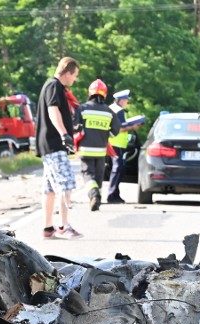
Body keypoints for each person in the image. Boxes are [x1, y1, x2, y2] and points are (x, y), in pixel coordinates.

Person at [36, 56, 83, 239]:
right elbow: (52, 110)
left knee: (49, 189)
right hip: (55, 143)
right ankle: (64, 226)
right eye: (75, 75)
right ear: (67, 72)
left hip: (48, 143)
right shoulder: (55, 86)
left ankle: (48, 228)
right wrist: (64, 134)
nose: (75, 79)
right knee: (65, 184)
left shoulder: (49, 85)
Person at [74, 79, 120, 212]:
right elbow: (115, 131)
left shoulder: (82, 108)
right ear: (104, 94)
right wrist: (104, 135)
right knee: (99, 176)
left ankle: (94, 195)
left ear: (90, 93)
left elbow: (75, 127)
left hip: (85, 150)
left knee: (88, 175)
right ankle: (97, 198)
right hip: (101, 151)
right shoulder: (108, 111)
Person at [106, 89, 142, 204]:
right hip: (116, 144)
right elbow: (120, 128)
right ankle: (112, 195)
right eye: (126, 100)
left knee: (115, 169)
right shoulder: (119, 111)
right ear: (121, 100)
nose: (127, 102)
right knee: (118, 169)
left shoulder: (111, 108)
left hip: (110, 143)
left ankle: (115, 194)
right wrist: (133, 127)